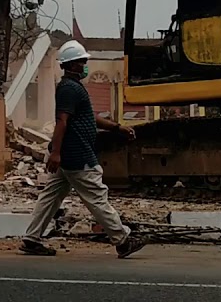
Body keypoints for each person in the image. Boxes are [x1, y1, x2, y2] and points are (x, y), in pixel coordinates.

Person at [19, 40, 145, 258]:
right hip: (76, 154)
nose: (85, 65)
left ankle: (31, 239)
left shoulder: (74, 88)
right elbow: (62, 122)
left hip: (69, 153)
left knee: (51, 196)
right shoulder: (69, 89)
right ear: (72, 65)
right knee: (97, 196)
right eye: (82, 62)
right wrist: (57, 152)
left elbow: (89, 118)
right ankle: (122, 240)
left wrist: (117, 128)